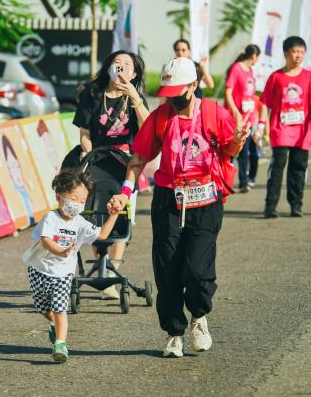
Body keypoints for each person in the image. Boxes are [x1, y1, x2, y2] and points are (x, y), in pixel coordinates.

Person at [108, 57, 250, 357]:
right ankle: (174, 332)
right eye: (167, 93)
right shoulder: (160, 117)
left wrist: (237, 141)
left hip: (206, 201)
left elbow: (229, 149)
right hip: (169, 200)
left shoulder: (214, 113)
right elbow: (139, 158)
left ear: (194, 86)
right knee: (167, 270)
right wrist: (124, 192)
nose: (171, 100)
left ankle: (199, 316)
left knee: (198, 270)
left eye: (177, 93)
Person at [73, 50, 149, 299]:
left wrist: (135, 97)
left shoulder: (136, 98)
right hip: (95, 159)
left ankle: (111, 273)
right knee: (95, 215)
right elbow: (84, 133)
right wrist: (89, 155)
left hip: (126, 163)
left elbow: (148, 129)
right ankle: (102, 270)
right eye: (116, 63)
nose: (121, 67)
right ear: (108, 68)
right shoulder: (92, 94)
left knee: (122, 215)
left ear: (134, 73)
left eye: (127, 65)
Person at [22, 168, 120, 363]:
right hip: (39, 269)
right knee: (43, 308)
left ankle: (60, 344)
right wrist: (59, 251)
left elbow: (101, 235)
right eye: (73, 199)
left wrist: (114, 215)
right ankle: (53, 325)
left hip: (63, 273)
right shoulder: (51, 218)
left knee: (60, 308)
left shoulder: (80, 222)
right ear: (59, 197)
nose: (77, 204)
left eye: (82, 201)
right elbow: (45, 240)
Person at [255, 36, 311, 218]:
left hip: (302, 132)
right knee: (277, 168)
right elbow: (265, 103)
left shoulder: (308, 77)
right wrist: (261, 125)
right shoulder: (276, 77)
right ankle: (270, 206)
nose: (298, 56)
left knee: (298, 168)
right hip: (281, 130)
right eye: (295, 52)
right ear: (286, 53)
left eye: (302, 52)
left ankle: (296, 205)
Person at [225, 44, 261, 192]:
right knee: (231, 151)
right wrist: (234, 111)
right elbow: (228, 92)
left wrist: (254, 118)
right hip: (234, 118)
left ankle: (243, 181)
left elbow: (251, 97)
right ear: (254, 56)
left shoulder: (250, 71)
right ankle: (224, 180)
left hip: (247, 117)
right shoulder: (236, 68)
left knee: (245, 150)